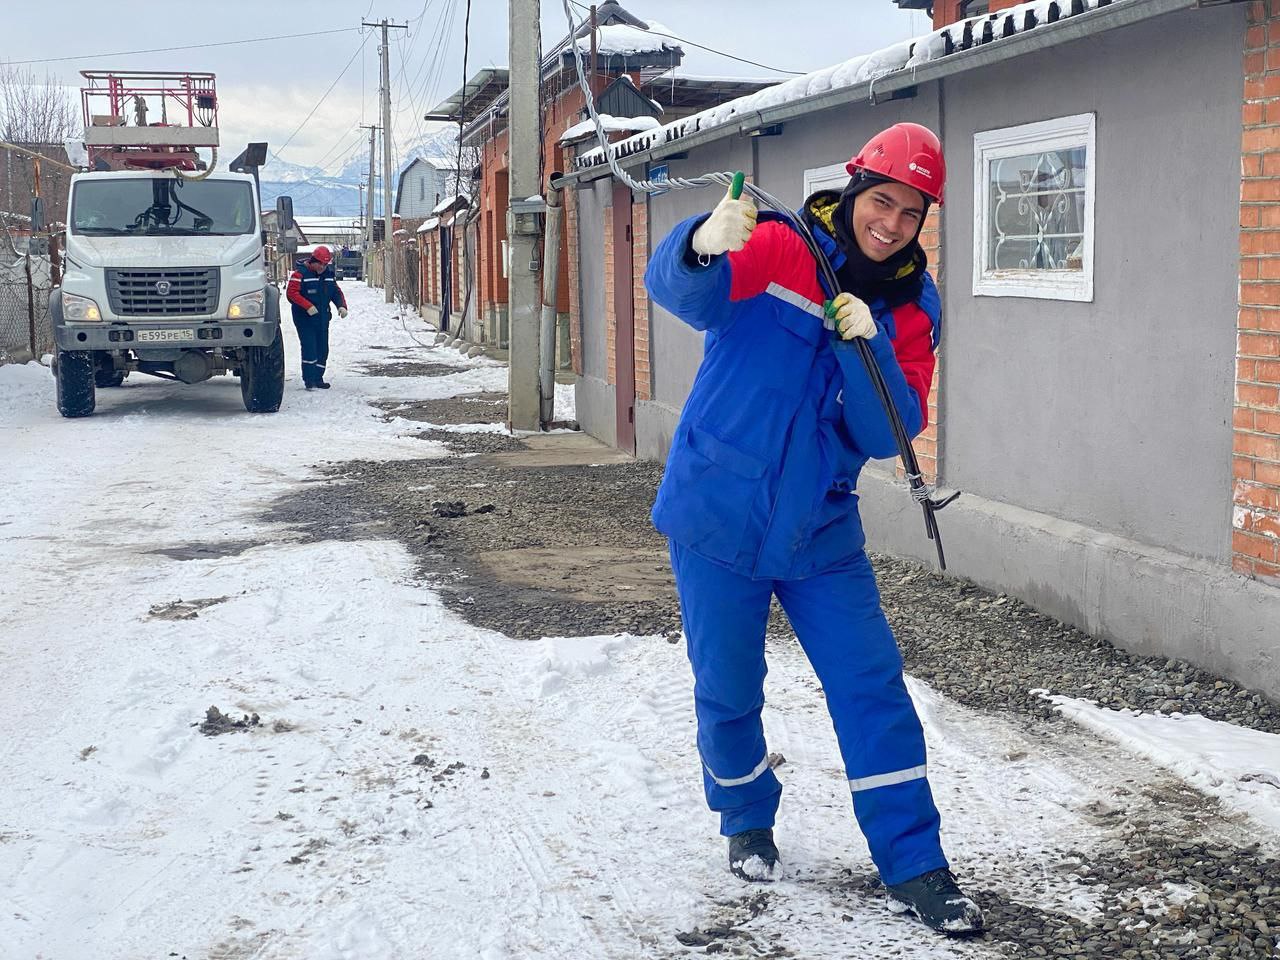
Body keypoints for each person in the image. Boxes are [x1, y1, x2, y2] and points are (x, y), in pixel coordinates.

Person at [644, 123, 983, 937]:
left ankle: (916, 864)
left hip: (821, 528)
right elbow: (685, 294)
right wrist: (697, 242)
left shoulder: (912, 306)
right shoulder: (782, 245)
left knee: (872, 687)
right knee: (727, 687)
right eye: (883, 201)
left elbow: (887, 431)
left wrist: (862, 344)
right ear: (856, 188)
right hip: (717, 512)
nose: (893, 223)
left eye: (911, 211)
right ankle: (746, 820)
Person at [285, 245, 348, 390]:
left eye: (325, 264)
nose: (322, 267)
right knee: (309, 348)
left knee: (322, 349)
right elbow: (292, 294)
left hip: (323, 318)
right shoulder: (299, 275)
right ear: (313, 261)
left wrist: (341, 306)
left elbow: (335, 292)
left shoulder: (328, 275)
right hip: (304, 319)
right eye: (320, 263)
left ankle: (318, 377)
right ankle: (309, 379)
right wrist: (308, 306)